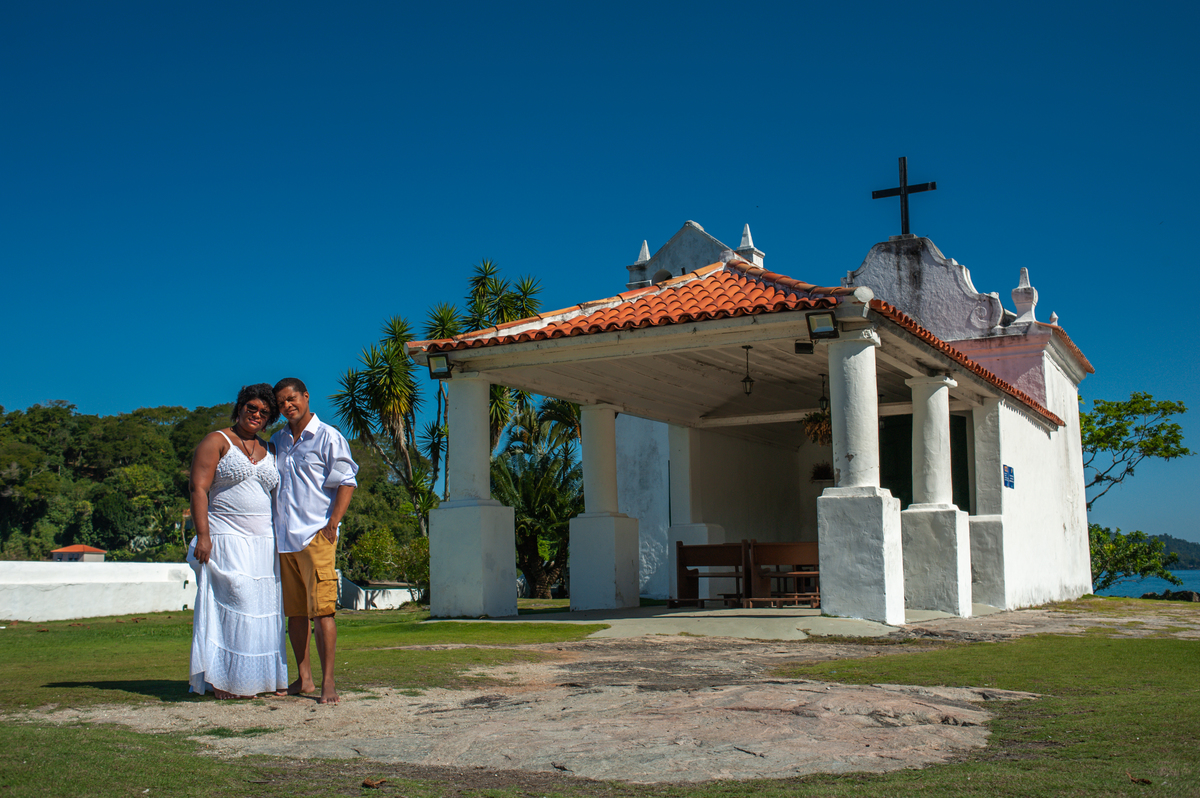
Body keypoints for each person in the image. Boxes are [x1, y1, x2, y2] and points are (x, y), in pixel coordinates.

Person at [187, 384, 289, 699]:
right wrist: (203, 536)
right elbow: (198, 489)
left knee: (263, 609)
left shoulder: (271, 448)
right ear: (240, 407)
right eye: (252, 408)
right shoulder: (216, 441)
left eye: (264, 413)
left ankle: (257, 681)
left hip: (263, 542)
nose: (257, 415)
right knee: (234, 602)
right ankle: (223, 680)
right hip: (225, 535)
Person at [271, 377, 357, 704]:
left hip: (316, 537)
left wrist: (333, 522)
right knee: (295, 614)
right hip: (284, 541)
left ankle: (328, 683)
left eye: (292, 399)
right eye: (280, 403)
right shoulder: (277, 440)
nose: (287, 406)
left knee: (323, 613)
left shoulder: (327, 437)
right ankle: (304, 678)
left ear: (306, 397)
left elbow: (346, 481)